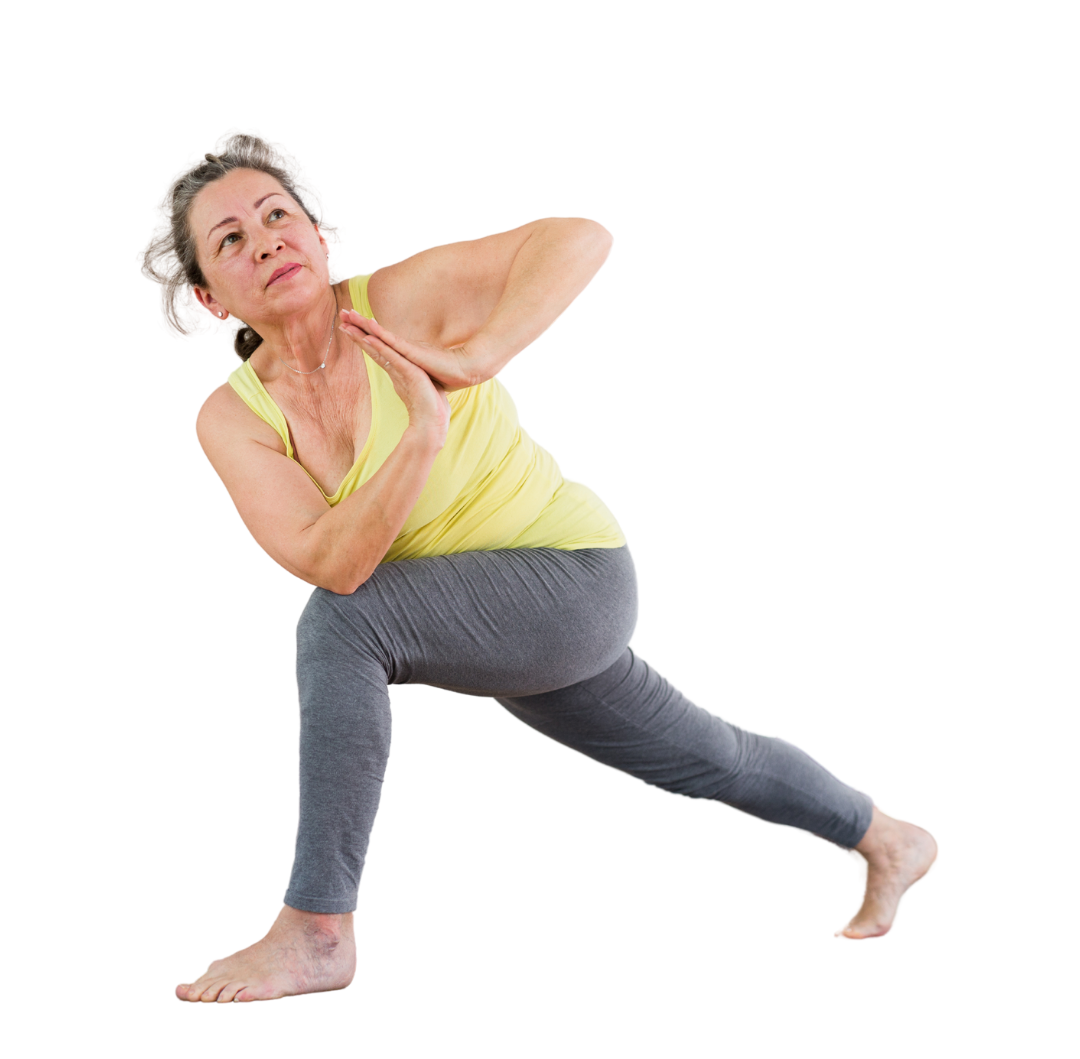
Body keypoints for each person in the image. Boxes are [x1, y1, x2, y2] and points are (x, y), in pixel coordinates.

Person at [144, 130, 938, 1004]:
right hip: (490, 621)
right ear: (207, 303)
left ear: (324, 237)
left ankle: (318, 929)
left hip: (569, 573)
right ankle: (888, 838)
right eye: (229, 241)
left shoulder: (399, 297)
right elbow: (333, 561)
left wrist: (478, 359)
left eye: (277, 216)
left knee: (344, 628)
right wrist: (422, 434)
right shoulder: (234, 418)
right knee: (709, 757)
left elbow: (581, 236)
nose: (264, 241)